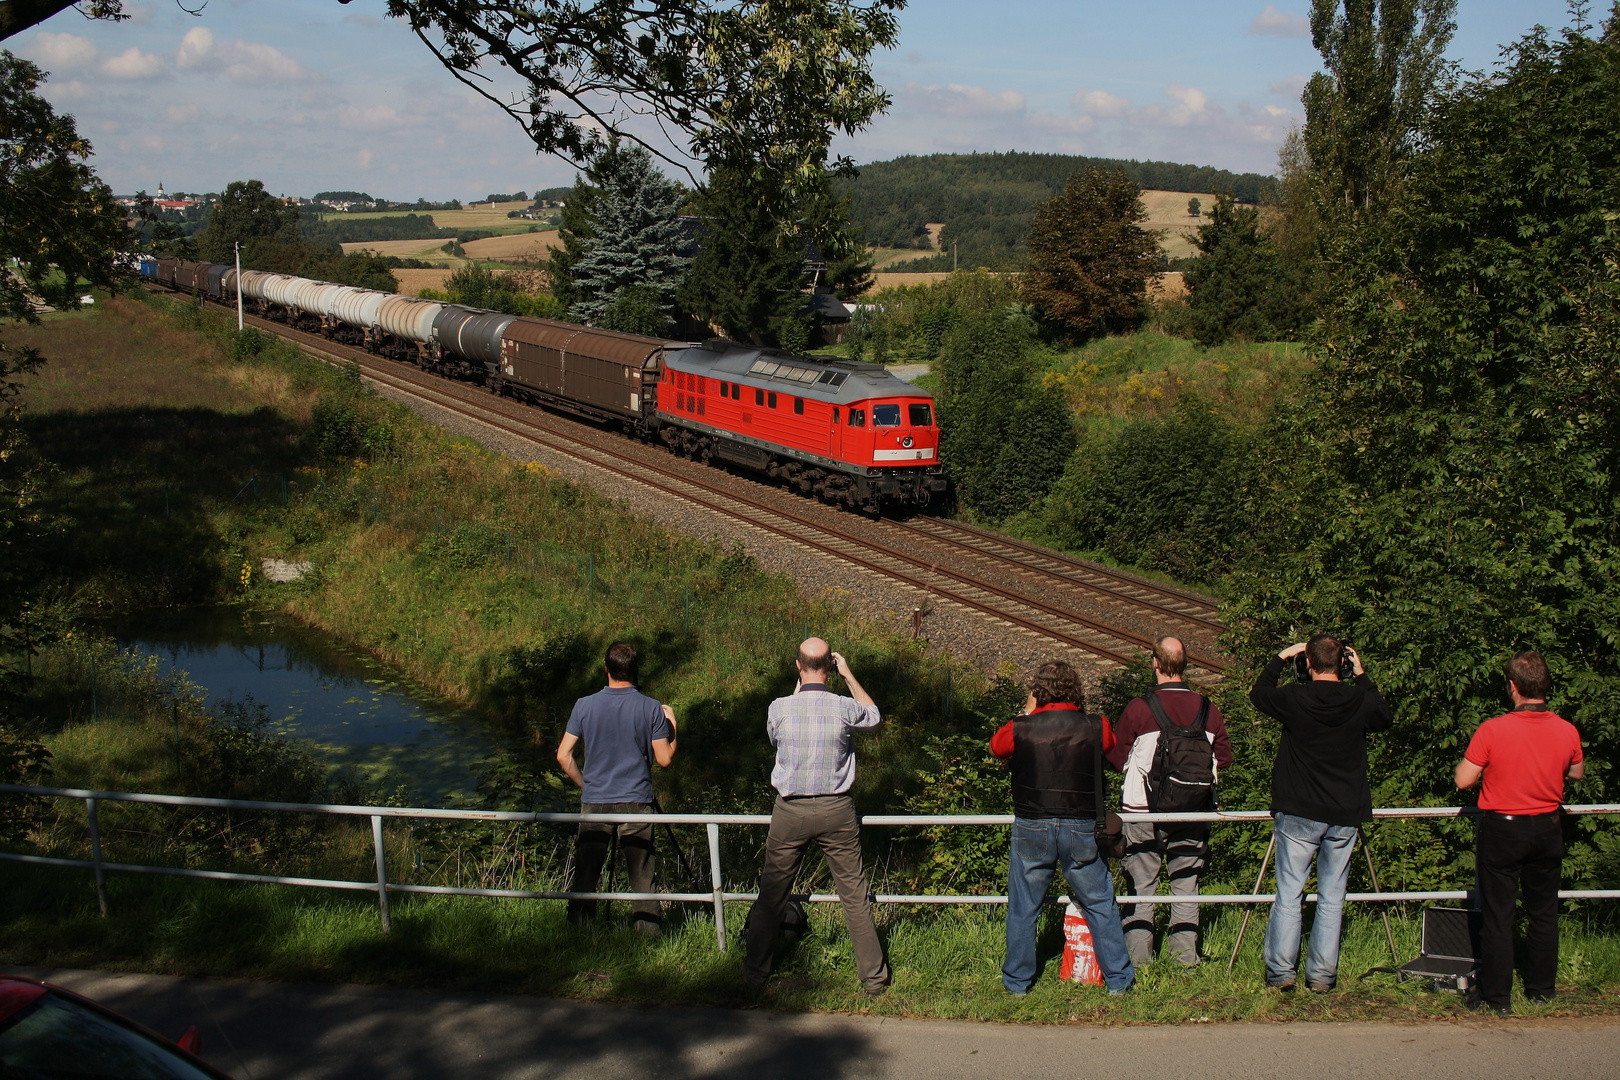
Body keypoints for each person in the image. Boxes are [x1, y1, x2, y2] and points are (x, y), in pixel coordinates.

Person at [743, 638, 890, 996]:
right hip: (836, 809)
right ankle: (874, 979)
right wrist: (850, 675)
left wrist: (801, 685)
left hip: (789, 810)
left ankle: (753, 975)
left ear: (797, 666)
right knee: (854, 895)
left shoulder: (779, 708)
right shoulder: (843, 706)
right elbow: (874, 718)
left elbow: (775, 736)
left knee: (772, 893)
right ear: (829, 667)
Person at [1249, 634, 1392, 992]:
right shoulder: (1360, 699)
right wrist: (1362, 676)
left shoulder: (1294, 698)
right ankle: (1322, 975)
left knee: (1290, 893)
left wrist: (1281, 656)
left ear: (1307, 663)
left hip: (1298, 810)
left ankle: (1282, 972)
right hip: (1344, 812)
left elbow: (1259, 693)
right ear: (1343, 664)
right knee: (1332, 896)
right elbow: (1384, 717)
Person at [990, 659, 1135, 996]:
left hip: (1032, 824)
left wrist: (1025, 713)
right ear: (1075, 688)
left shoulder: (1021, 727)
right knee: (1100, 903)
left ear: (1037, 691)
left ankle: (1017, 983)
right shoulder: (1096, 725)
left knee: (1024, 907)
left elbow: (997, 747)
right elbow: (1111, 746)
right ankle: (1119, 981)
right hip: (1081, 825)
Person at [1455, 651, 1583, 1015]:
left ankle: (1497, 997)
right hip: (1548, 826)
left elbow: (1464, 780)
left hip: (1503, 828)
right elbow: (1576, 773)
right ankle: (1542, 990)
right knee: (1544, 912)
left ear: (1512, 687)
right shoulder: (1566, 729)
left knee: (1499, 915)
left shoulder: (1493, 729)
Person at [1108, 636, 1232, 968]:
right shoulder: (1209, 709)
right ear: (1185, 665)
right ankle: (1184, 961)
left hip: (1143, 812)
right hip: (1194, 811)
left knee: (1141, 884)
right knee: (1186, 884)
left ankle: (1138, 962)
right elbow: (1225, 759)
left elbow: (1117, 758)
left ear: (1155, 664)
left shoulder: (1139, 708)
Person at [555, 641, 677, 938]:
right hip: (636, 801)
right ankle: (647, 936)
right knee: (641, 875)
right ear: (635, 671)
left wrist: (585, 783)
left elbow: (563, 755)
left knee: (586, 873)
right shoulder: (650, 708)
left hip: (595, 801)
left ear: (606, 669)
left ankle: (579, 933)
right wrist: (672, 724)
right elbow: (664, 758)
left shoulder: (584, 705)